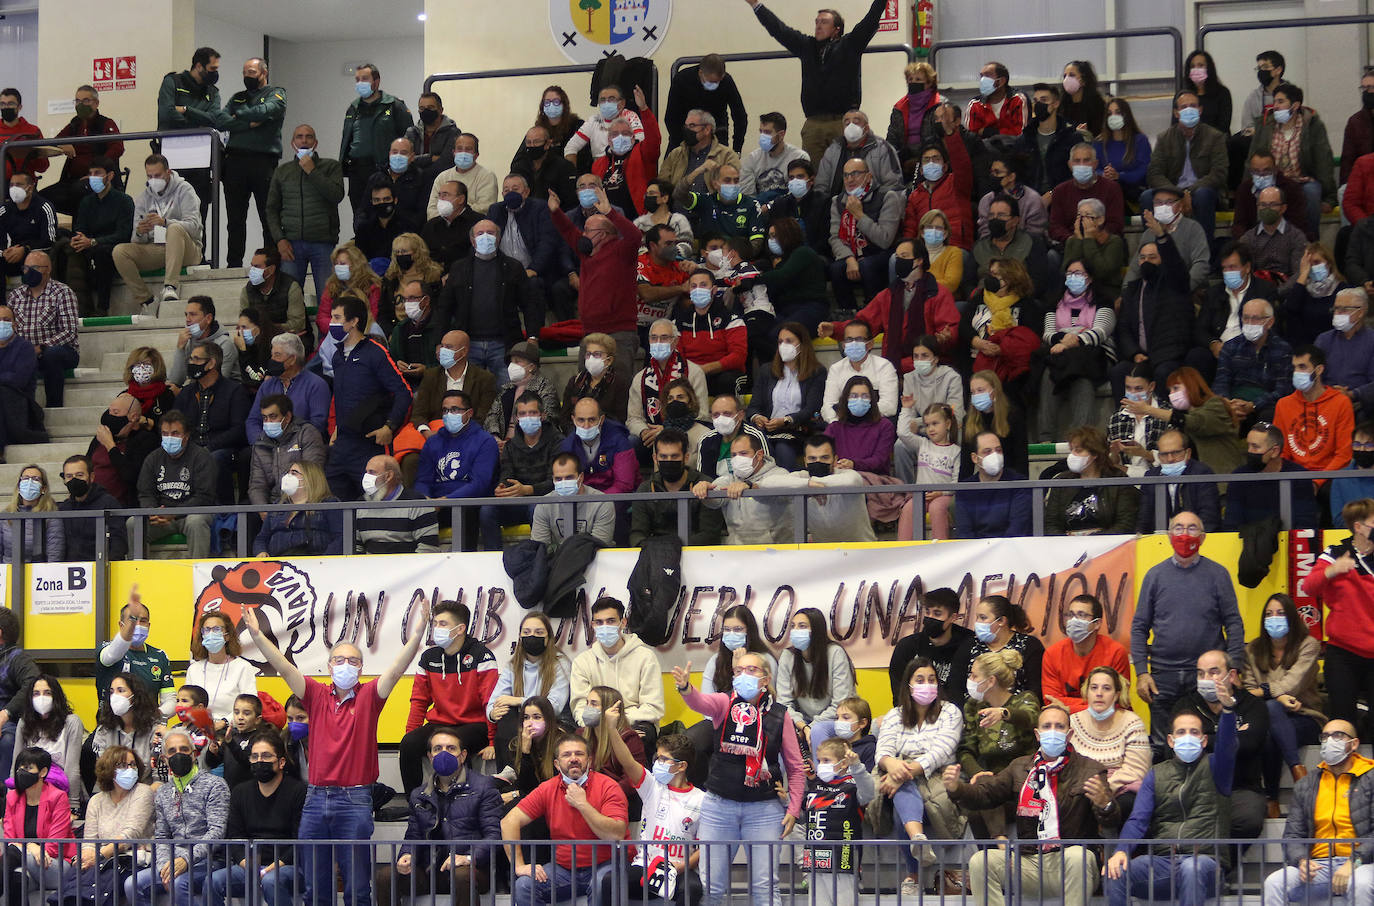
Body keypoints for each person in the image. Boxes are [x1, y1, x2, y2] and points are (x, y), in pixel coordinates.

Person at [242, 595, 426, 906]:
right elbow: (283, 667)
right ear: (329, 666)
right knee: (316, 889)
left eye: (353, 661)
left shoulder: (369, 696)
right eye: (339, 660)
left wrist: (418, 635)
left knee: (357, 888)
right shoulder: (314, 694)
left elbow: (396, 670)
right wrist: (258, 636)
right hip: (315, 799)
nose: (345, 665)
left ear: (362, 667)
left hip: (355, 799)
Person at [948, 703, 1121, 906]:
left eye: (1059, 727)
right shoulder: (1020, 767)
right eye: (1047, 727)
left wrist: (1105, 804)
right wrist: (956, 788)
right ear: (1037, 735)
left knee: (1077, 856)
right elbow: (986, 794)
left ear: (1070, 734)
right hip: (1029, 862)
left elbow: (1112, 821)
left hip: (1071, 863)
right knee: (981, 862)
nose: (1053, 732)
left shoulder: (1090, 769)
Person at [673, 649, 805, 906]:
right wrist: (687, 688)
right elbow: (700, 702)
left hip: (765, 809)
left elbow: (796, 767)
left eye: (751, 670)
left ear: (765, 679)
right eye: (738, 671)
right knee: (711, 886)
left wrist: (794, 807)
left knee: (765, 888)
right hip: (719, 807)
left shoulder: (780, 715)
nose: (743, 675)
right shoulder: (724, 704)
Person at [1102, 703, 1238, 906]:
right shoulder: (1156, 774)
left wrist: (1227, 711)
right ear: (1170, 741)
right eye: (1181, 732)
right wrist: (1121, 850)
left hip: (1206, 862)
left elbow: (1227, 746)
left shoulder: (1216, 767)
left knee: (1191, 867)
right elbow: (1138, 819)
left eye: (1194, 732)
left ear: (1204, 740)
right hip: (1163, 862)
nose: (1187, 736)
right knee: (1115, 871)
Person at [1132, 510, 1245, 752]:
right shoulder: (1155, 576)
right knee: (1163, 746)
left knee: (1206, 741)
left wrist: (1233, 666)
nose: (1185, 534)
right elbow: (1139, 626)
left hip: (1207, 676)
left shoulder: (1217, 574)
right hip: (1162, 676)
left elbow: (1234, 622)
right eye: (1179, 528)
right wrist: (1142, 672)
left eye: (1192, 528)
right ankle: (1167, 790)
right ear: (1170, 535)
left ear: (1203, 537)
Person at [500, 733, 628, 906]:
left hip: (606, 864)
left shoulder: (609, 786)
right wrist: (519, 865)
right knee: (523, 886)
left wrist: (582, 804)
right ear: (556, 764)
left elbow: (616, 833)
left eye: (579, 754)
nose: (573, 759)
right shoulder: (548, 788)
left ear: (589, 760)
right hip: (564, 870)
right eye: (566, 755)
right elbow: (509, 821)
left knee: (603, 884)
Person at [380, 727, 503, 906]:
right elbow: (413, 836)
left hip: (471, 870)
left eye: (451, 748)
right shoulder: (419, 794)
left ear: (463, 756)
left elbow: (494, 836)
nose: (443, 753)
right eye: (438, 749)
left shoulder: (484, 787)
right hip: (430, 870)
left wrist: (468, 858)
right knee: (385, 876)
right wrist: (406, 855)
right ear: (430, 756)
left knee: (462, 875)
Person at [876, 657, 964, 895]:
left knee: (899, 801)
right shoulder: (895, 715)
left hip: (937, 775)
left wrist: (900, 774)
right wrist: (893, 765)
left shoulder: (950, 711)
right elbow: (882, 751)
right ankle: (918, 840)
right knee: (901, 800)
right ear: (908, 685)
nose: (927, 684)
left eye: (932, 679)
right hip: (901, 771)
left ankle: (912, 875)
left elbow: (941, 751)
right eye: (920, 680)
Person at [1262, 717, 1374, 906]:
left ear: (1354, 744)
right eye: (1325, 736)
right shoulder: (1307, 783)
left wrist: (1354, 862)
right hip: (1319, 865)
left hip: (1364, 863)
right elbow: (1293, 834)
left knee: (1361, 883)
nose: (1330, 741)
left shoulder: (1370, 778)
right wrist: (1301, 861)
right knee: (1274, 883)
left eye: (1338, 735)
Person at [122, 728, 230, 906]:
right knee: (132, 884)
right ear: (164, 758)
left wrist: (185, 861)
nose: (178, 754)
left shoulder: (215, 785)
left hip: (210, 861)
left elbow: (217, 832)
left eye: (184, 750)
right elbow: (162, 836)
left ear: (194, 754)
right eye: (172, 751)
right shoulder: (163, 792)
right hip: (173, 862)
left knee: (179, 882)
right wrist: (165, 866)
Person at [401, 600, 498, 794]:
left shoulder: (482, 656)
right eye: (435, 623)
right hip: (440, 723)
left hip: (474, 724)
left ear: (460, 628)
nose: (436, 628)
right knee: (409, 744)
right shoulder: (429, 658)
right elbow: (419, 701)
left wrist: (492, 742)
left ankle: (463, 800)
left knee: (455, 743)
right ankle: (415, 802)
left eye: (442, 624)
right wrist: (410, 733)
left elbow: (491, 702)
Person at [821, 237, 958, 374]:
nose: (899, 261)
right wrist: (835, 329)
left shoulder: (937, 293)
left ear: (919, 260)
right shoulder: (888, 295)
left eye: (904, 256)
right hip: (892, 369)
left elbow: (950, 330)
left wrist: (944, 338)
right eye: (897, 257)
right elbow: (863, 325)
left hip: (928, 368)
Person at [1174, 649, 1271, 840]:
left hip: (1241, 787)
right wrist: (1230, 738)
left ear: (1232, 675)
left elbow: (1249, 744)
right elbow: (1175, 747)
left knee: (1248, 820)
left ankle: (1222, 867)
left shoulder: (1253, 705)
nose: (1206, 679)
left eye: (1213, 672)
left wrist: (1202, 739)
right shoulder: (1185, 705)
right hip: (1195, 785)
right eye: (1201, 674)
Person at [1242, 593, 1323, 819]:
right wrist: (1276, 697)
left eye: (1280, 613)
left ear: (1291, 617)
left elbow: (1293, 684)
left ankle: (1272, 799)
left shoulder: (1308, 645)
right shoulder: (1253, 649)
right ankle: (1297, 771)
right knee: (1270, 720)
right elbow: (1247, 692)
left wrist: (1266, 693)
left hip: (1305, 717)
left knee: (1270, 721)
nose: (1274, 618)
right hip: (1267, 718)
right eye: (1269, 614)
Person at [326, 295, 414, 500]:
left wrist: (389, 427)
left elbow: (404, 393)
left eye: (337, 318)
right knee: (333, 500)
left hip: (370, 443)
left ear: (354, 321)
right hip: (342, 444)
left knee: (377, 498)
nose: (332, 323)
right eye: (331, 317)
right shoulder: (337, 357)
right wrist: (338, 428)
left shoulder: (376, 353)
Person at [206, 730, 306, 906]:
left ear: (281, 762)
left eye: (266, 756)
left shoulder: (298, 791)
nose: (260, 761)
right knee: (212, 881)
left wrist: (277, 865)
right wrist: (245, 863)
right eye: (255, 756)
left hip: (288, 866)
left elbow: (300, 839)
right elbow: (235, 835)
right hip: (248, 866)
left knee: (271, 881)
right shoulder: (240, 792)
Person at [550, 187, 641, 370]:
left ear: (603, 233)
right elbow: (568, 231)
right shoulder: (587, 254)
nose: (583, 235)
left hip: (619, 333)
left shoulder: (622, 251)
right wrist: (555, 211)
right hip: (590, 333)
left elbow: (635, 235)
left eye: (588, 230)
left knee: (618, 386)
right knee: (584, 386)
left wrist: (609, 212)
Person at [1305, 498, 1374, 735]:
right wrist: (1332, 571)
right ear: (1359, 526)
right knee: (1342, 722)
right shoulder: (1335, 552)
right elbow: (1308, 586)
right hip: (1343, 654)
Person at [954, 649, 1040, 837]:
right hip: (992, 782)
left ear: (991, 681)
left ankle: (1006, 850)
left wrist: (1004, 713)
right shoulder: (973, 707)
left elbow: (1031, 717)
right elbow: (965, 749)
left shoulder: (1024, 699)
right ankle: (996, 856)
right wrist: (977, 772)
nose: (970, 679)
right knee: (976, 803)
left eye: (975, 675)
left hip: (1022, 781)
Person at [213, 58, 287, 270]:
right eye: (245, 72)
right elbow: (220, 120)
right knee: (235, 219)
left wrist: (240, 117)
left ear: (264, 72)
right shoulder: (238, 97)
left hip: (263, 162)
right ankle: (233, 264)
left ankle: (271, 264)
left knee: (268, 216)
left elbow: (269, 110)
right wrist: (251, 122)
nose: (247, 76)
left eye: (252, 72)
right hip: (235, 162)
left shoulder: (277, 93)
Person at [1111, 236, 1201, 401]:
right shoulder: (1132, 291)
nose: (1146, 262)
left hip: (1167, 356)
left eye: (1153, 257)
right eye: (1143, 258)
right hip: (1139, 357)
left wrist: (1163, 238)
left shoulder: (1174, 286)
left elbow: (1177, 268)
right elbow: (1123, 328)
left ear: (1163, 260)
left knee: (1163, 372)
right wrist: (1134, 353)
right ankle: (1123, 420)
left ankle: (1163, 421)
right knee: (1119, 371)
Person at [1037, 257, 1117, 441]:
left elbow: (1100, 332)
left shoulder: (1103, 303)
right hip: (1062, 357)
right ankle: (1046, 437)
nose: (1074, 277)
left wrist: (1073, 341)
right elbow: (1048, 334)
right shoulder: (1054, 303)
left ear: (1089, 278)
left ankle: (1079, 438)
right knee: (1048, 375)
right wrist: (1066, 342)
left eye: (1079, 273)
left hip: (1094, 357)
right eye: (1070, 273)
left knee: (1082, 377)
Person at [111, 155, 203, 312]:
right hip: (157, 248)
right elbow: (135, 240)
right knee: (120, 251)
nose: (153, 180)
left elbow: (195, 227)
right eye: (149, 176)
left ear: (168, 172)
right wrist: (141, 232)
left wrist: (165, 222)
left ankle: (170, 286)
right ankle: (147, 300)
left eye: (158, 175)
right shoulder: (143, 198)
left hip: (187, 249)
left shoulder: (185, 189)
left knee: (174, 229)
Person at [66, 746, 154, 906]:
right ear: (108, 770)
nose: (130, 769)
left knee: (97, 892)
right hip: (101, 861)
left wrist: (99, 856)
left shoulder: (143, 792)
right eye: (122, 765)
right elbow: (90, 842)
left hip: (131, 861)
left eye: (133, 765)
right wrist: (86, 858)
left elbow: (130, 834)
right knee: (70, 885)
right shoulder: (96, 800)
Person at [570, 597, 664, 745]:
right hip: (596, 724)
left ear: (623, 622)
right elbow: (580, 707)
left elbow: (653, 708)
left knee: (641, 736)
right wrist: (603, 723)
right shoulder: (582, 662)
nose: (605, 626)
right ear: (593, 625)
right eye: (599, 622)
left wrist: (617, 722)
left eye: (611, 621)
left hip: (634, 723)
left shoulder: (645, 657)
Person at [266, 123, 344, 300]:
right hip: (291, 245)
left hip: (323, 243)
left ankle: (329, 329)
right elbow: (271, 209)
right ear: (293, 143)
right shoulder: (282, 172)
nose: (304, 140)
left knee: (329, 298)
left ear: (315, 143)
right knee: (290, 298)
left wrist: (312, 171)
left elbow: (336, 195)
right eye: (299, 137)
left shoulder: (331, 166)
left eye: (308, 137)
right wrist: (279, 239)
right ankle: (298, 329)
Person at [1248, 82, 1336, 238]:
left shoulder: (1312, 126)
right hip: (1272, 180)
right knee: (1258, 193)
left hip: (1302, 180)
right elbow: (1252, 158)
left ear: (1295, 105)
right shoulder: (1265, 125)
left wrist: (1330, 197)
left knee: (1312, 191)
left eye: (1280, 102)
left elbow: (1324, 161)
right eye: (1274, 101)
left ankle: (1310, 242)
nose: (1275, 106)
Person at [486, 614, 571, 771]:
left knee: (515, 715)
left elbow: (555, 707)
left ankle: (515, 773)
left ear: (548, 638)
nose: (532, 636)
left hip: (551, 722)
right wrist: (493, 712)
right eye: (526, 632)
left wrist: (518, 700)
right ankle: (507, 775)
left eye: (539, 633)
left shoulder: (560, 663)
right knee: (506, 715)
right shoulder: (513, 664)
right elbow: (494, 702)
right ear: (520, 637)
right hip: (520, 720)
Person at [130, 411, 217, 560]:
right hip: (162, 518)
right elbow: (145, 493)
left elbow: (204, 497)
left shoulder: (201, 457)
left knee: (196, 522)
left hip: (191, 515)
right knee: (133, 523)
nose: (170, 438)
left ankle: (199, 575)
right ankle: (138, 574)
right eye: (165, 433)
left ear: (186, 435)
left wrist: (173, 512)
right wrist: (153, 512)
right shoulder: (153, 458)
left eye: (175, 433)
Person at [483, 392, 566, 548]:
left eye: (533, 413)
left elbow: (556, 482)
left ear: (543, 415)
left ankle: (541, 556)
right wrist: (503, 488)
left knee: (536, 509)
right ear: (516, 419)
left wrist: (528, 490)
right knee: (487, 510)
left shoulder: (558, 442)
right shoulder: (510, 446)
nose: (528, 417)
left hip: (546, 501)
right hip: (518, 500)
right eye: (523, 413)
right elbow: (507, 476)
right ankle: (493, 559)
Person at [172, 342, 251, 503]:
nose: (191, 363)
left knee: (214, 458)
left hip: (223, 449)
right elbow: (174, 423)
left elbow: (238, 429)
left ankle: (225, 513)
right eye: (191, 359)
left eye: (196, 359)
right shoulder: (186, 393)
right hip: (191, 448)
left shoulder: (234, 390)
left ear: (212, 363)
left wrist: (209, 447)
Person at [1143, 91, 1227, 240]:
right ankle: (1153, 248)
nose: (1189, 110)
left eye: (1193, 106)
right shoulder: (1164, 138)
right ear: (1176, 113)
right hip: (1172, 191)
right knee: (1147, 197)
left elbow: (1219, 173)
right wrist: (1176, 195)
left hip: (1202, 191)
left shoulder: (1215, 137)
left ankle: (1204, 249)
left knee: (1203, 195)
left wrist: (1189, 192)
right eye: (1183, 107)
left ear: (1200, 110)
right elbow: (1154, 173)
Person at [1067, 666, 1150, 815]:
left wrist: (1101, 790)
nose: (1099, 693)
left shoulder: (1132, 722)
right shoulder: (1073, 722)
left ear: (1117, 694)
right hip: (1080, 788)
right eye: (1094, 688)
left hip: (1120, 790)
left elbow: (1136, 771)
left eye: (1106, 688)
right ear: (1087, 692)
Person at [155, 47, 219, 236]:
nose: (215, 73)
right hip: (171, 157)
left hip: (200, 158)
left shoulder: (212, 91)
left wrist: (185, 110)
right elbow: (166, 114)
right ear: (199, 66)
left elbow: (215, 118)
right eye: (212, 68)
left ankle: (199, 259)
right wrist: (198, 120)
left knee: (199, 213)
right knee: (167, 210)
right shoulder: (172, 82)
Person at [745, 323, 825, 472]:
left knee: (782, 448)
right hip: (766, 430)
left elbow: (812, 408)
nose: (783, 345)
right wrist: (757, 417)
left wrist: (786, 420)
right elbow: (753, 406)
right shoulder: (766, 371)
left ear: (802, 344)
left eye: (789, 341)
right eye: (780, 342)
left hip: (797, 429)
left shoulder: (816, 371)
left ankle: (788, 491)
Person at [826, 156, 903, 311]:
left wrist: (859, 216)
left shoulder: (887, 197)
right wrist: (848, 258)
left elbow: (884, 239)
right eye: (846, 175)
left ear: (868, 176)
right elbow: (835, 237)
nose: (850, 179)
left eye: (855, 174)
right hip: (852, 254)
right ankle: (847, 313)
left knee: (866, 265)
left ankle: (873, 312)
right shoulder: (838, 201)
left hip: (879, 252)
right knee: (835, 268)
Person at [484, 178, 561, 330]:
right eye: (506, 190)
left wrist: (534, 269)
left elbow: (547, 243)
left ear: (526, 192)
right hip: (502, 272)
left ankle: (535, 335)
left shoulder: (539, 208)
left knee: (533, 286)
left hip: (531, 271)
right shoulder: (495, 210)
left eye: (515, 189)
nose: (510, 193)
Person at [338, 62, 413, 215]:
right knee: (360, 215)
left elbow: (409, 138)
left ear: (376, 81)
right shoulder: (353, 108)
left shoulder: (394, 105)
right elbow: (346, 139)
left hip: (383, 169)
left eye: (364, 79)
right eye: (357, 80)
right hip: (357, 171)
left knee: (385, 213)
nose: (360, 83)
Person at [7, 250, 78, 409]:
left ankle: (54, 406)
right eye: (25, 268)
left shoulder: (63, 292)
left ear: (47, 269)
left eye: (34, 268)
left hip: (60, 351)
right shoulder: (16, 295)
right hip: (26, 351)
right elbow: (10, 327)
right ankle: (20, 410)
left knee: (51, 355)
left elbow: (69, 331)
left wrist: (41, 347)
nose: (28, 272)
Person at [630, 429, 725, 546]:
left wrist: (676, 548)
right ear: (655, 458)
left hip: (697, 554)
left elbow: (710, 535)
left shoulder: (705, 485)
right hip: (656, 553)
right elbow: (637, 534)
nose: (669, 461)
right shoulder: (645, 489)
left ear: (686, 457)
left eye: (674, 456)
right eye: (663, 457)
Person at [693, 433, 794, 544]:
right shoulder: (729, 479)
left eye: (743, 453)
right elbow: (715, 501)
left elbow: (779, 494)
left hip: (775, 550)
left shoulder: (780, 474)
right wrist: (704, 489)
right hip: (737, 552)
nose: (737, 459)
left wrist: (752, 486)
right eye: (734, 455)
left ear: (759, 455)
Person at [63, 156, 133, 315]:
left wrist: (94, 241)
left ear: (110, 176)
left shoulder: (124, 201)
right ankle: (75, 307)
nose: (92, 177)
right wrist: (78, 239)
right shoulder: (86, 202)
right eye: (90, 173)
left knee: (103, 254)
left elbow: (123, 234)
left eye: (97, 173)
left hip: (112, 247)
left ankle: (102, 307)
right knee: (66, 250)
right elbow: (80, 227)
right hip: (89, 245)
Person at [3, 748, 74, 904]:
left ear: (42, 772)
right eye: (20, 767)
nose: (22, 772)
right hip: (25, 863)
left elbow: (53, 847)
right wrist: (30, 846)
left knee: (12, 856)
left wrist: (29, 847)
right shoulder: (12, 797)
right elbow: (9, 839)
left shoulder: (58, 797)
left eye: (28, 768)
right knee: (16, 879)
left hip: (55, 865)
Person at [1274, 344, 1356, 478]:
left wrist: (1317, 482)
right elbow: (1281, 452)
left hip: (1330, 477)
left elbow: (1344, 454)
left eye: (1302, 367)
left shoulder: (1341, 403)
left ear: (1319, 370)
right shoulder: (1283, 405)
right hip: (1293, 477)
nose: (1296, 373)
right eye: (1294, 367)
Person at [42, 84, 124, 216]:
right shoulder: (74, 124)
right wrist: (63, 147)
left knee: (78, 190)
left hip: (96, 179)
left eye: (86, 100)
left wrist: (96, 172)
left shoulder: (106, 123)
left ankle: (79, 230)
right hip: (71, 180)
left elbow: (117, 148)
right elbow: (54, 142)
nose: (81, 104)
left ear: (96, 103)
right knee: (43, 198)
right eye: (78, 101)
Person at [1043, 425, 1139, 536]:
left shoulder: (1118, 480)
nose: (1072, 455)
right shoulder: (1061, 480)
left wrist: (1095, 540)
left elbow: (1125, 523)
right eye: (1071, 450)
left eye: (1078, 451)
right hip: (1067, 546)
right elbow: (1051, 523)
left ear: (1095, 454)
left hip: (1108, 546)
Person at [1041, 594, 1130, 713]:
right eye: (1071, 615)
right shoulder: (1052, 653)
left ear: (1097, 623)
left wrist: (1069, 708)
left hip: (1109, 720)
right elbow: (1050, 700)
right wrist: (1093, 704)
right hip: (1065, 721)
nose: (1074, 620)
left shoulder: (1116, 652)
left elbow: (1118, 702)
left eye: (1081, 615)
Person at [628, 318, 710, 447]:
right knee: (631, 442)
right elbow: (633, 418)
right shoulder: (640, 377)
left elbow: (702, 415)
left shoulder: (693, 372)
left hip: (685, 433)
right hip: (651, 435)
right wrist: (644, 431)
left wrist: (668, 429)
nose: (658, 342)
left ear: (675, 341)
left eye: (664, 337)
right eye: (654, 338)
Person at [414, 389, 500, 510]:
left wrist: (444, 502)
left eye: (454, 410)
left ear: (469, 413)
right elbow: (423, 481)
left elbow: (480, 484)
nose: (449, 414)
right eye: (445, 410)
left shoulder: (485, 441)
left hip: (469, 505)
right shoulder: (433, 442)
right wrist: (425, 500)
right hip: (435, 505)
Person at [1211, 297, 1292, 424]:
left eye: (1255, 318)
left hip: (1265, 403)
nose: (1249, 322)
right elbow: (1221, 381)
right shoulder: (1230, 346)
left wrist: (1254, 405)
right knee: (1212, 413)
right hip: (1234, 401)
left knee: (1270, 415)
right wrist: (1227, 403)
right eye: (1245, 318)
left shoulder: (1283, 349)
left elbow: (1283, 390)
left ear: (1270, 322)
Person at [1225, 422, 1320, 530]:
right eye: (1248, 445)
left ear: (1275, 451)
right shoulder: (1239, 477)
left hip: (1289, 543)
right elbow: (1231, 524)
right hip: (1248, 542)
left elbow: (1306, 524)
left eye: (1255, 447)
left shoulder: (1299, 477)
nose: (1249, 451)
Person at [776, 607, 857, 732]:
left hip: (835, 719)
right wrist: (801, 725)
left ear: (816, 630)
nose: (795, 630)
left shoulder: (834, 653)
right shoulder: (787, 656)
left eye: (802, 626)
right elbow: (784, 702)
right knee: (779, 728)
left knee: (819, 731)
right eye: (793, 626)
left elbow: (841, 703)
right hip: (802, 722)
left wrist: (811, 728)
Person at [781, 434, 875, 543]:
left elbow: (851, 481)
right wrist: (808, 484)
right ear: (805, 461)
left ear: (835, 460)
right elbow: (766, 484)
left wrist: (812, 485)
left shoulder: (849, 475)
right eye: (812, 458)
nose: (818, 462)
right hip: (824, 553)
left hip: (862, 549)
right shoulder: (803, 478)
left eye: (824, 457)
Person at [10, 675, 83, 812]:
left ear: (56, 696)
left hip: (60, 793)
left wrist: (73, 806)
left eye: (47, 693)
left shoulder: (72, 722)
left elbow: (72, 769)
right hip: (30, 791)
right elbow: (16, 765)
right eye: (36, 694)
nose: (41, 698)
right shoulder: (24, 723)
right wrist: (11, 803)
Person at [246, 393, 327, 515]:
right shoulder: (261, 443)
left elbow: (312, 476)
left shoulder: (307, 433)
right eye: (264, 418)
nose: (268, 422)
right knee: (248, 518)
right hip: (273, 505)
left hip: (304, 502)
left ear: (287, 417)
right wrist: (263, 510)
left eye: (273, 417)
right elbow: (257, 485)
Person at [888, 588, 973, 701]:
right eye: (927, 612)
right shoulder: (907, 646)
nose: (930, 617)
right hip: (914, 713)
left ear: (953, 618)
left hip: (953, 714)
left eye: (937, 613)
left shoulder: (968, 643)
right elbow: (899, 692)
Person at [1135, 428, 1221, 533]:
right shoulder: (1151, 477)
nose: (1170, 459)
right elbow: (1144, 519)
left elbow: (1209, 517)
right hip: (1159, 541)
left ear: (1188, 453)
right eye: (1164, 454)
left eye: (1175, 453)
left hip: (1196, 539)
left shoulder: (1202, 473)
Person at [185, 610, 258, 726]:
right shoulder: (193, 669)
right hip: (199, 729)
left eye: (217, 629)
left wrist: (224, 722)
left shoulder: (243, 667)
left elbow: (250, 705)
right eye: (207, 630)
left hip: (232, 729)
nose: (211, 634)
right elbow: (187, 704)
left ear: (227, 636)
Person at [252, 461, 342, 556]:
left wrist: (326, 561)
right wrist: (261, 551)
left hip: (315, 565)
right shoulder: (277, 505)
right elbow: (261, 538)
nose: (288, 476)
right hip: (278, 565)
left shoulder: (328, 504)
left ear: (310, 478)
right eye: (288, 473)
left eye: (294, 473)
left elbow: (341, 537)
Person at [355, 454, 440, 554]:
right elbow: (355, 547)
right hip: (370, 567)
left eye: (372, 472)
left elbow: (429, 547)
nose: (366, 477)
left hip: (409, 567)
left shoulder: (417, 502)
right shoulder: (361, 504)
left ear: (389, 476)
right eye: (366, 472)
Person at [970, 197, 1051, 300]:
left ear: (1015, 220)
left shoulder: (1032, 243)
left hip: (1020, 301)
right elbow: (968, 283)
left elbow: (1038, 283)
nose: (995, 219)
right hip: (984, 302)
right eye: (991, 215)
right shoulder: (979, 246)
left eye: (1001, 215)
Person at [814, 108, 902, 197]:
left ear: (866, 128)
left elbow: (893, 184)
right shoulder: (833, 150)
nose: (851, 126)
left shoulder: (882, 148)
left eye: (856, 122)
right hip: (837, 204)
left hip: (873, 205)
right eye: (847, 123)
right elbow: (821, 185)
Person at [1048, 143, 1125, 243]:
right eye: (1077, 161)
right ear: (1070, 165)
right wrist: (1072, 240)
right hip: (1071, 243)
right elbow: (1056, 226)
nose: (1082, 165)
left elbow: (1116, 223)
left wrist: (1095, 237)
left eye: (1086, 160)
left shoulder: (1112, 188)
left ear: (1095, 164)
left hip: (1103, 243)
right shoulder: (1060, 191)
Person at [56, 454, 127, 561]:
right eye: (69, 476)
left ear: (92, 477)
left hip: (101, 570)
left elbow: (118, 543)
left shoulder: (108, 503)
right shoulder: (63, 508)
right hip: (68, 572)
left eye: (80, 475)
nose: (74, 480)